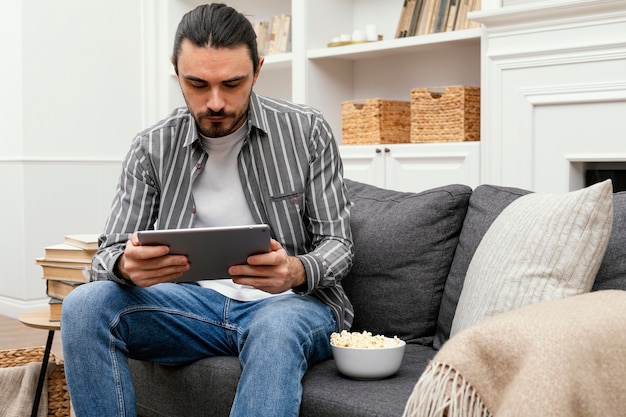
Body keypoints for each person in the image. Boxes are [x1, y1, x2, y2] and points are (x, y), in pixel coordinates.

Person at [60, 3, 354, 416]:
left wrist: (296, 270)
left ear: (257, 70)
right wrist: (127, 268)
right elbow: (106, 256)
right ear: (175, 72)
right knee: (84, 304)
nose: (215, 102)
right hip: (192, 309)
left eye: (232, 84)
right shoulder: (152, 147)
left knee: (275, 327)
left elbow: (339, 242)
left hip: (290, 306)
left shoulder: (307, 130)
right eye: (197, 84)